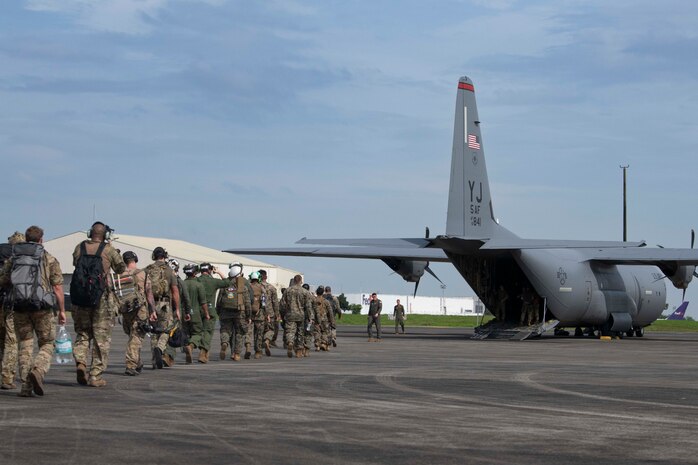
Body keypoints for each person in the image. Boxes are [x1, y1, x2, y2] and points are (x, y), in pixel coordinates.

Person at [0, 226, 66, 397]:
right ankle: (38, 369)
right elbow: (58, 287)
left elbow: (4, 280)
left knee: (25, 343)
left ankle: (25, 386)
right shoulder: (49, 258)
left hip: (20, 307)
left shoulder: (14, 258)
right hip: (42, 307)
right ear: (41, 239)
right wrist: (62, 311)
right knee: (47, 343)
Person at [71, 221, 125, 387]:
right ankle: (95, 376)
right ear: (106, 235)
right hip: (101, 298)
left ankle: (81, 361)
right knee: (101, 338)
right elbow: (121, 269)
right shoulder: (108, 250)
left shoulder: (79, 247)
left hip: (81, 298)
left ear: (90, 233)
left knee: (83, 333)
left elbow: (75, 263)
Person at [116, 251, 156, 376]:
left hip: (125, 309)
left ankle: (137, 362)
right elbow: (149, 293)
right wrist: (153, 310)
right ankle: (131, 364)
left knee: (132, 336)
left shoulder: (118, 275)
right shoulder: (142, 273)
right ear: (135, 259)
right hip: (140, 309)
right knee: (137, 337)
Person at [144, 247, 180, 369]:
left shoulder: (147, 270)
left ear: (153, 256)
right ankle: (160, 347)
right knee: (167, 329)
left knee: (154, 331)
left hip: (151, 304)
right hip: (165, 304)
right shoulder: (170, 271)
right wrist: (178, 309)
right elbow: (175, 291)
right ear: (165, 256)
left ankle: (154, 361)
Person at [0, 231, 25, 390]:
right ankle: (7, 377)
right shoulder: (19, 258)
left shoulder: (1, 252)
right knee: (11, 341)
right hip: (11, 303)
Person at [217, 263, 251, 361]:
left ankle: (224, 343)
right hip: (239, 313)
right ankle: (236, 354)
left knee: (225, 330)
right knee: (239, 333)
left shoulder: (225, 285)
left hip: (225, 312)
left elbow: (219, 301)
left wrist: (219, 312)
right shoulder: (242, 287)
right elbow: (247, 302)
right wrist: (248, 316)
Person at [196, 262, 228, 363]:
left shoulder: (196, 280)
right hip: (209, 310)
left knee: (197, 332)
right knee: (208, 332)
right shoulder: (213, 281)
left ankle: (195, 347)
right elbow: (227, 282)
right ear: (210, 270)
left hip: (197, 310)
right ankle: (203, 351)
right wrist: (218, 272)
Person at [163, 258, 189, 367]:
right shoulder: (179, 282)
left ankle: (162, 353)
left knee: (163, 332)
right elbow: (186, 298)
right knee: (174, 333)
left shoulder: (162, 280)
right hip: (175, 311)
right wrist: (187, 311)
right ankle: (169, 356)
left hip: (163, 309)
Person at [182, 264, 209, 364]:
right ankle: (191, 346)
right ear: (195, 273)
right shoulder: (198, 285)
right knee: (197, 333)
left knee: (185, 333)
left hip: (183, 313)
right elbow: (203, 302)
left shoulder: (182, 283)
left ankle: (187, 353)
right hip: (195, 313)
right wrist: (206, 314)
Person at [280, 275, 312, 358]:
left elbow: (282, 304)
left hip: (290, 314)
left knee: (290, 331)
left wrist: (282, 315)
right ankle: (298, 351)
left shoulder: (287, 291)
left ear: (294, 280)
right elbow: (308, 306)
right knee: (300, 333)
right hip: (301, 315)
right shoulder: (305, 292)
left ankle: (290, 342)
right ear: (301, 281)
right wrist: (310, 317)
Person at [247, 272, 268, 359]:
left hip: (249, 314)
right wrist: (266, 314)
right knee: (258, 334)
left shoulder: (247, 287)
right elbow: (264, 302)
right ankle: (258, 352)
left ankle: (248, 346)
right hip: (259, 315)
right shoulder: (262, 288)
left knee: (248, 332)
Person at [259, 269, 280, 353]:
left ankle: (258, 348)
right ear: (266, 277)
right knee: (270, 329)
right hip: (270, 313)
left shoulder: (254, 286)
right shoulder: (271, 288)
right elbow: (275, 302)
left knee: (259, 330)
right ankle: (267, 340)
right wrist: (277, 314)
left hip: (258, 312)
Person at [312, 286, 331, 351]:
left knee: (317, 332)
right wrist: (331, 320)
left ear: (316, 292)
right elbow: (330, 311)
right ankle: (323, 343)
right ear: (323, 293)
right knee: (325, 332)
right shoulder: (326, 301)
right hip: (324, 319)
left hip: (316, 319)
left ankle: (317, 346)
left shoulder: (313, 300)